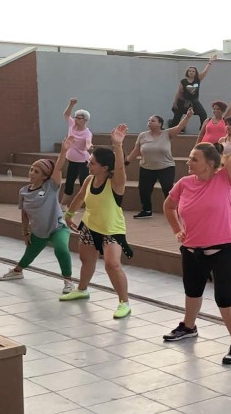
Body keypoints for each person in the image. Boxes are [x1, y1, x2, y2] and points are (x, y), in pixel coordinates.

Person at [161, 121, 231, 365]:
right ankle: (188, 326)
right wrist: (177, 230)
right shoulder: (184, 183)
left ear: (210, 163)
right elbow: (168, 206)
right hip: (192, 249)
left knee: (224, 297)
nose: (188, 162)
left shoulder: (225, 178)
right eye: (190, 158)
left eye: (194, 159)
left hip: (224, 249)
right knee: (192, 290)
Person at [61, 125, 133, 320]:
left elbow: (120, 169)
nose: (88, 164)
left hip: (112, 230)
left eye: (92, 163)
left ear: (105, 167)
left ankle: (124, 302)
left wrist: (117, 145)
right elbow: (80, 197)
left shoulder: (116, 183)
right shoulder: (89, 180)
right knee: (86, 260)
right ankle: (82, 289)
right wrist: (69, 214)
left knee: (112, 265)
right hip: (89, 227)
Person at [0, 137, 75, 293]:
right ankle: (17, 272)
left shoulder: (51, 187)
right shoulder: (23, 191)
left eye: (37, 171)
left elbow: (58, 168)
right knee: (29, 255)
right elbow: (24, 214)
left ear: (45, 176)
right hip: (39, 231)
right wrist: (25, 233)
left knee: (61, 250)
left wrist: (64, 151)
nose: (32, 173)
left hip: (57, 228)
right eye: (31, 169)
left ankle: (68, 281)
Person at [126, 109, 196, 219]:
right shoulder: (142, 135)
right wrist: (126, 161)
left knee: (168, 189)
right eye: (149, 120)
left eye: (153, 120)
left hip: (166, 167)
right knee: (144, 190)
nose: (149, 122)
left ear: (160, 124)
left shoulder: (167, 133)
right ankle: (146, 210)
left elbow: (179, 126)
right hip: (146, 167)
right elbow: (136, 151)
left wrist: (187, 116)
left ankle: (173, 210)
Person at [61, 97, 92, 206]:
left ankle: (89, 205)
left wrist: (89, 146)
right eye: (75, 117)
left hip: (83, 162)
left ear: (85, 120)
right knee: (69, 183)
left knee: (84, 183)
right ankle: (63, 205)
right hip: (72, 160)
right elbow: (66, 115)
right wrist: (71, 104)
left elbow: (88, 142)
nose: (75, 119)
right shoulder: (72, 125)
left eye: (78, 118)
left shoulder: (87, 133)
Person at [170, 55, 217, 128]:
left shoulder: (197, 79)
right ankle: (172, 130)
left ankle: (203, 130)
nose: (191, 72)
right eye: (190, 71)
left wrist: (210, 62)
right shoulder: (183, 81)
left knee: (203, 114)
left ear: (195, 73)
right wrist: (175, 102)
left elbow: (205, 71)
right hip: (183, 102)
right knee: (177, 116)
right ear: (187, 72)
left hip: (194, 102)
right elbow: (179, 92)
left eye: (193, 71)